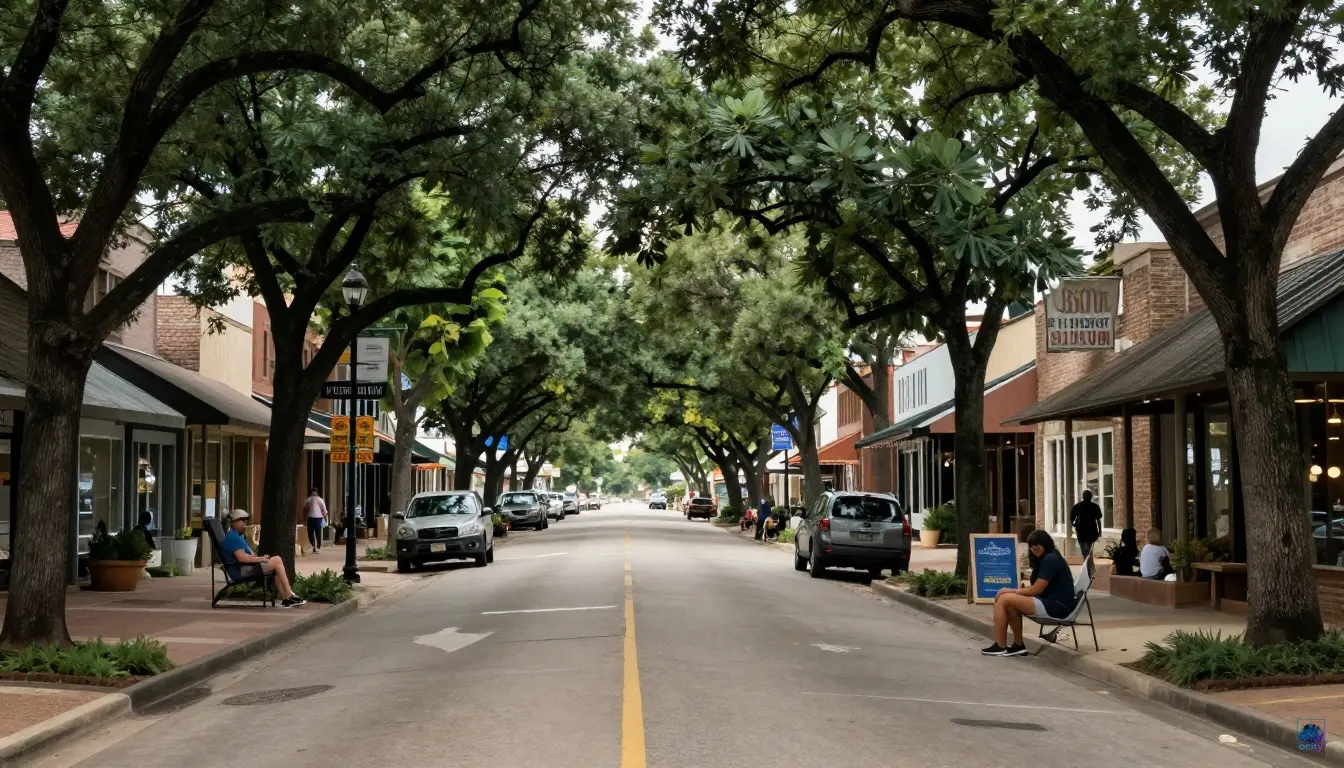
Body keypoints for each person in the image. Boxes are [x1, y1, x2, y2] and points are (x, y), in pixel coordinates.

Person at [983, 529, 1078, 657]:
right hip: (1049, 601)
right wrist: (1018, 591)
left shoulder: (1050, 559)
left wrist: (1011, 590)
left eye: (1037, 546)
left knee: (1004, 599)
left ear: (1045, 543)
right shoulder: (1045, 557)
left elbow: (1036, 589)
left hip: (1056, 606)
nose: (1034, 549)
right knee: (1009, 605)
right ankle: (1018, 645)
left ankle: (1000, 646)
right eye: (1032, 546)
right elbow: (1036, 586)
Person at [221, 510, 306, 607]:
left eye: (245, 521)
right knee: (277, 560)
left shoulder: (237, 536)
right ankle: (289, 594)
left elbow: (248, 555)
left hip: (245, 568)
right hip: (242, 571)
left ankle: (285, 597)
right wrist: (260, 559)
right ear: (233, 522)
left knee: (276, 565)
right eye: (242, 521)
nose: (244, 524)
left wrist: (260, 557)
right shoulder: (233, 538)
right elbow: (242, 558)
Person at [1069, 489, 1103, 567]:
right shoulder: (1095, 506)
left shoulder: (1077, 506)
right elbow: (1098, 521)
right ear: (1091, 497)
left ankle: (1087, 568)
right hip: (1091, 531)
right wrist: (1100, 531)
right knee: (1089, 551)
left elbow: (1071, 519)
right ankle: (1089, 568)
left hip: (1081, 532)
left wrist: (1075, 526)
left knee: (1084, 551)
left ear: (1083, 496)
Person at [303, 487, 328, 554]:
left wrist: (325, 518)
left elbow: (324, 510)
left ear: (316, 492)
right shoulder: (309, 500)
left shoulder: (319, 500)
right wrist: (325, 518)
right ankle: (314, 546)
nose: (314, 493)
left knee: (315, 533)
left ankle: (317, 547)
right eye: (313, 492)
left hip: (316, 518)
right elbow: (305, 509)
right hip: (313, 518)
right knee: (312, 533)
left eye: (314, 492)